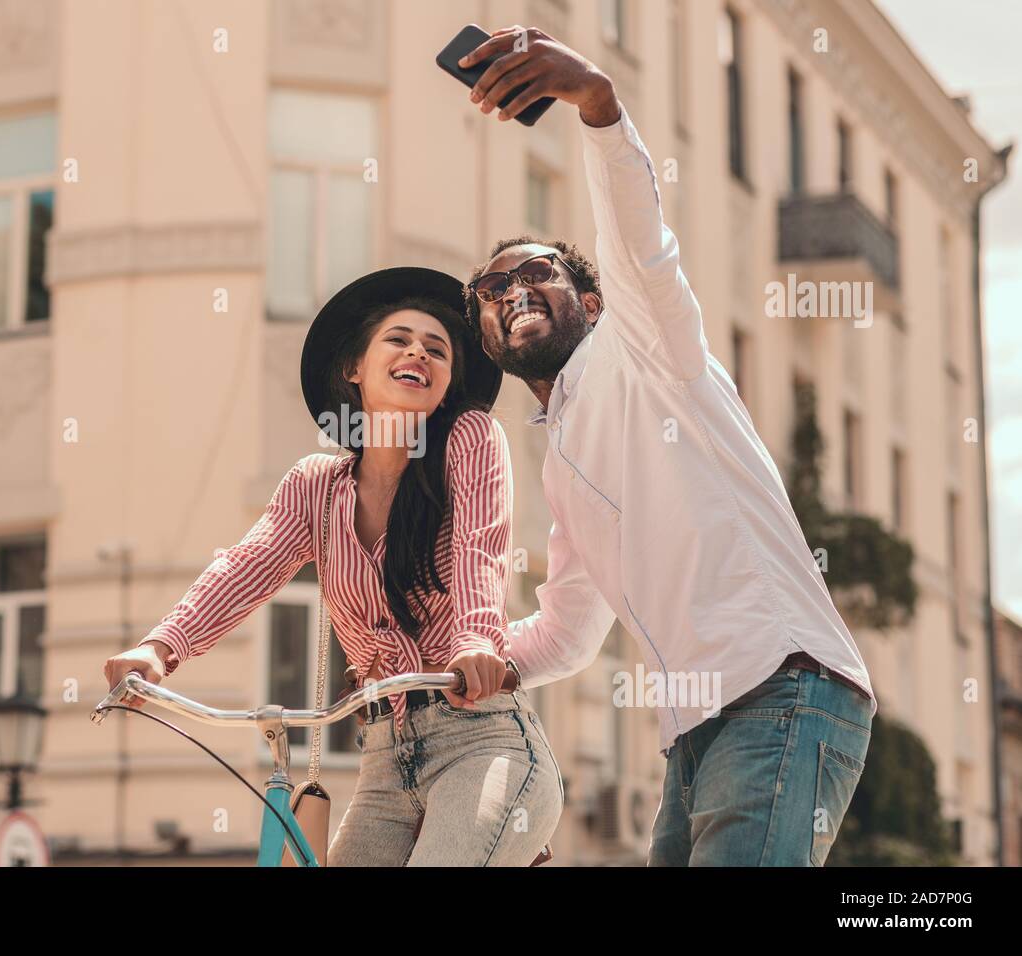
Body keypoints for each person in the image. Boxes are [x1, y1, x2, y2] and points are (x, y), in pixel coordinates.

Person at [456, 26, 877, 866]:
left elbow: (641, 241)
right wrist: (469, 664)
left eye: (536, 271)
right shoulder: (561, 453)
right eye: (492, 289)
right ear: (490, 342)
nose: (513, 291)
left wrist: (598, 105)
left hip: (781, 686)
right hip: (695, 733)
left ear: (594, 300)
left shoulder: (646, 347)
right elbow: (571, 631)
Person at [104, 267, 563, 866]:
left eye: (437, 350)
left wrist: (477, 638)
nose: (418, 353)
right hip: (381, 760)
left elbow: (482, 545)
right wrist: (159, 648)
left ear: (448, 384)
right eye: (398, 340)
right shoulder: (316, 486)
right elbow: (246, 566)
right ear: (355, 369)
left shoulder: (470, 439)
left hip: (481, 741)